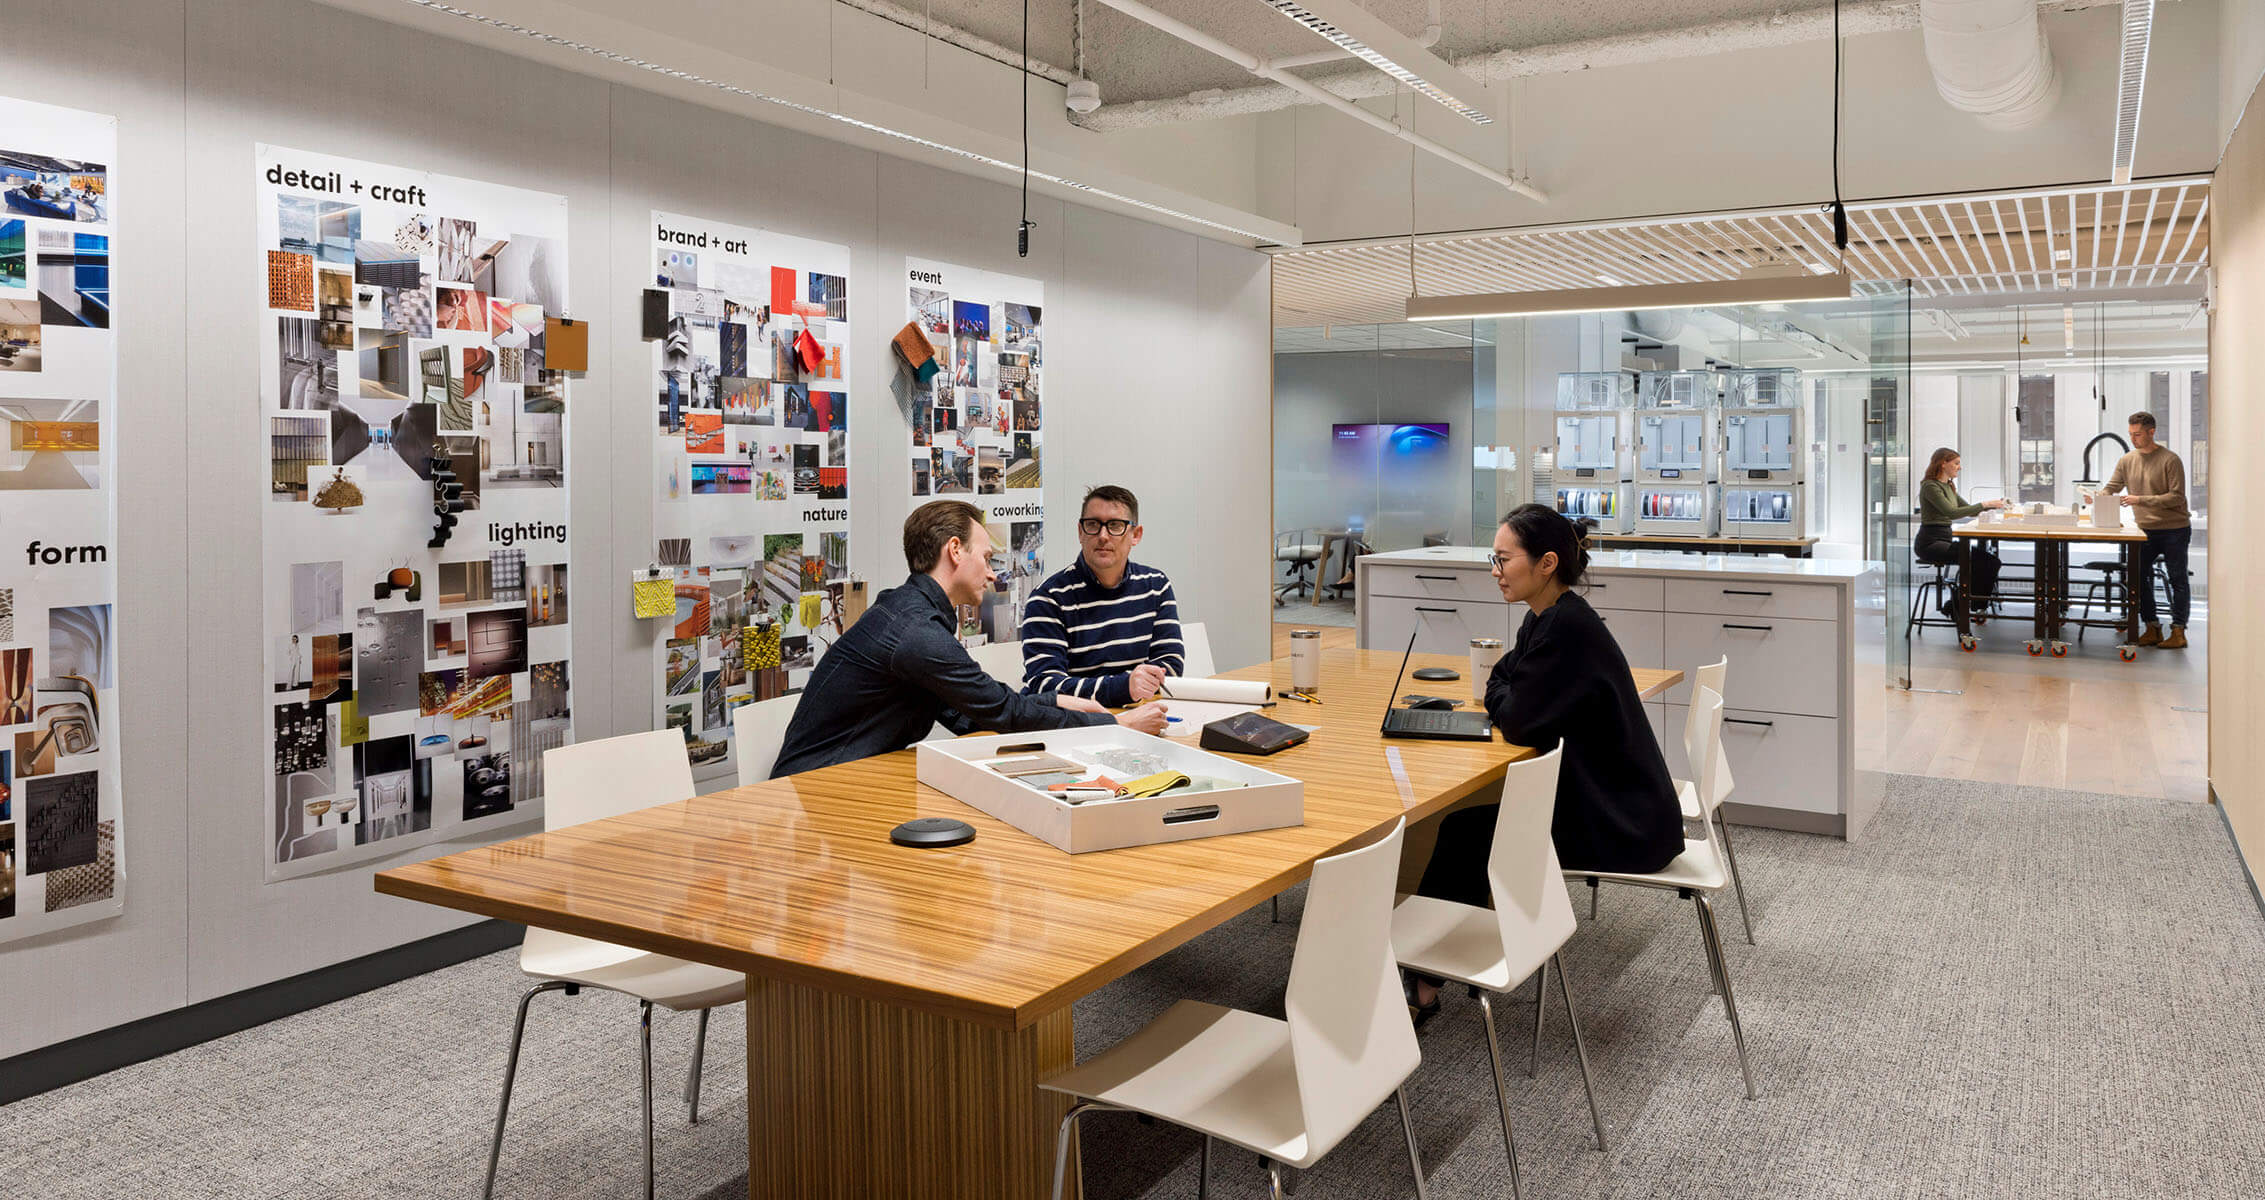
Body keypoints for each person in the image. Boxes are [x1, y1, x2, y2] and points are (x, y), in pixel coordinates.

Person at [1406, 505, 1683, 1016]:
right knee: (1466, 828)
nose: (1495, 570)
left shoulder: (1563, 631)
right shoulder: (1551, 618)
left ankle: (1421, 987)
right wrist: (1503, 690)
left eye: (1503, 559)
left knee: (1464, 832)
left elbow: (1517, 716)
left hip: (1623, 823)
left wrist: (1502, 692)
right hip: (1619, 803)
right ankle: (1427, 972)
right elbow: (1505, 681)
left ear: (1547, 562)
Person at [771, 500, 1168, 776]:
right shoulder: (916, 632)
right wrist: (1116, 728)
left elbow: (969, 712)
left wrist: (1054, 701)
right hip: (817, 790)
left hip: (846, 777)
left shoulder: (911, 613)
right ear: (955, 551)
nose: (993, 573)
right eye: (987, 558)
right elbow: (1002, 712)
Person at [1021, 486, 1186, 705]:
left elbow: (1170, 665)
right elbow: (1045, 685)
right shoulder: (1048, 598)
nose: (1102, 536)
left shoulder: (1156, 586)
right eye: (1092, 525)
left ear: (1135, 535)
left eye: (1115, 525)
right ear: (1080, 532)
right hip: (1076, 725)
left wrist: (1130, 691)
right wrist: (1124, 687)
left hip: (1139, 711)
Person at [2096, 410, 2193, 649]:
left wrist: (2140, 500)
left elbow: (2176, 497)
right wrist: (2098, 497)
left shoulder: (2170, 459)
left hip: (2174, 529)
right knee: (2138, 577)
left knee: (2177, 579)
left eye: (2137, 434)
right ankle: (2152, 627)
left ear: (2152, 432)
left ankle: (2179, 632)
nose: (2133, 439)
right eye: (2130, 434)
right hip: (2144, 530)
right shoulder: (2127, 460)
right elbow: (2112, 487)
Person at [1915, 447, 2006, 615]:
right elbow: (1951, 512)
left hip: (1944, 540)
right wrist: (1985, 504)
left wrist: (1996, 509)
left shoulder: (1948, 486)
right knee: (1985, 562)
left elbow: (1969, 510)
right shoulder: (1930, 486)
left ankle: (1960, 605)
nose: (1959, 467)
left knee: (1991, 562)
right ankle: (1963, 606)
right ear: (1943, 464)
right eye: (1956, 463)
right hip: (1930, 543)